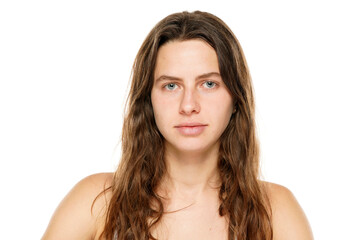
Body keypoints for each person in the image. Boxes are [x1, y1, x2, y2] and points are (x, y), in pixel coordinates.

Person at [42, 11, 313, 240]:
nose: (188, 105)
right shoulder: (97, 202)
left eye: (209, 84)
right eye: (171, 85)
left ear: (236, 98)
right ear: (148, 99)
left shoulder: (276, 211)